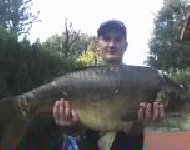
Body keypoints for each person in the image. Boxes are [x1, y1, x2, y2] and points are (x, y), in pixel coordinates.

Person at [53, 20, 165, 150]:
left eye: (118, 39)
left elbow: (133, 129)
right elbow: (71, 130)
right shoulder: (81, 79)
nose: (112, 44)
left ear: (125, 45)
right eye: (106, 39)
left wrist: (143, 123)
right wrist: (66, 123)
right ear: (97, 44)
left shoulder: (139, 81)